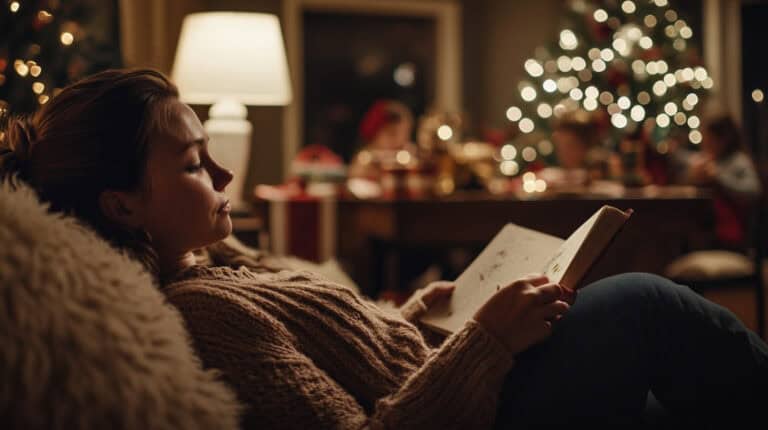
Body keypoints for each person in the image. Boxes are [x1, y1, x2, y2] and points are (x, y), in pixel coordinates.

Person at [1, 68, 767, 428]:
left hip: (458, 367)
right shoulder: (205, 314)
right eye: (196, 164)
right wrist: (487, 340)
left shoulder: (216, 264)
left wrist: (411, 313)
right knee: (640, 301)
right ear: (122, 203)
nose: (226, 172)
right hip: (488, 409)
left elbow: (346, 354)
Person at [670, 110, 762, 249]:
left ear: (724, 139)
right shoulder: (709, 160)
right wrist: (692, 176)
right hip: (706, 230)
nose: (705, 144)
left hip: (728, 236)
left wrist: (717, 177)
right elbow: (683, 160)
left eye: (710, 139)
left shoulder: (738, 161)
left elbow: (754, 191)